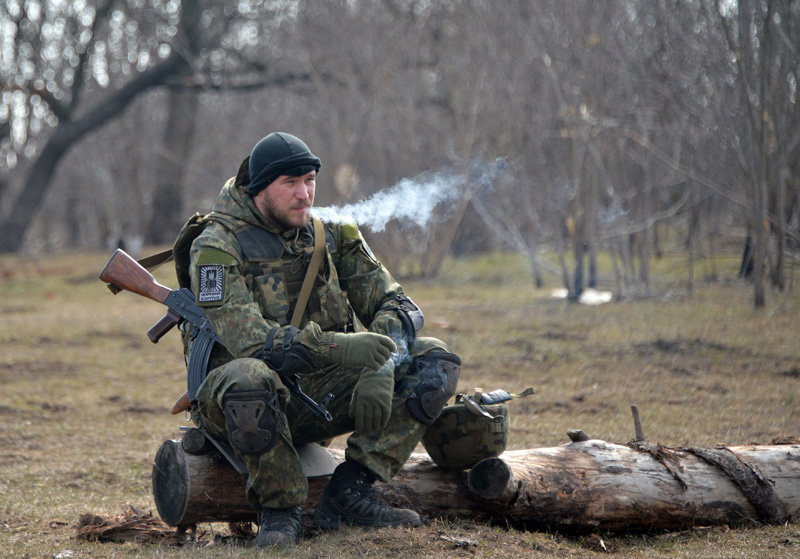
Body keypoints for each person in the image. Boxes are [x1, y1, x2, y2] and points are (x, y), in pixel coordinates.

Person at [184, 132, 461, 547]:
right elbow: (253, 343)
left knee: (434, 360)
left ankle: (350, 493)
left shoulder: (330, 230)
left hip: (318, 393)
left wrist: (383, 363)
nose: (304, 194)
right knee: (248, 377)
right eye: (290, 183)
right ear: (260, 188)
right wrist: (343, 348)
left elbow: (398, 305)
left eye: (310, 180)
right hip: (242, 404)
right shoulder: (216, 247)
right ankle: (279, 512)